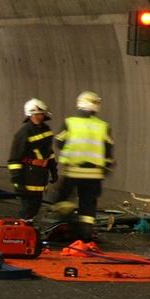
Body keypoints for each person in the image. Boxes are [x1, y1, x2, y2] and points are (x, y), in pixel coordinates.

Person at [53, 91, 114, 242]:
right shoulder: (103, 126)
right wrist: (106, 168)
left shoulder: (70, 122)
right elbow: (108, 150)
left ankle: (69, 225)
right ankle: (85, 235)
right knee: (88, 203)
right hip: (94, 174)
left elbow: (59, 142)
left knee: (62, 199)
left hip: (73, 171)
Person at [7, 98, 58, 221]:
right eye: (37, 114)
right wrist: (17, 181)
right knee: (27, 208)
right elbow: (14, 160)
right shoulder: (24, 133)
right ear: (30, 115)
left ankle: (28, 230)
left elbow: (49, 153)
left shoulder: (46, 130)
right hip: (28, 175)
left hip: (40, 175)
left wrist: (53, 171)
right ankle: (22, 232)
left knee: (35, 206)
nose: (40, 117)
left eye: (41, 114)